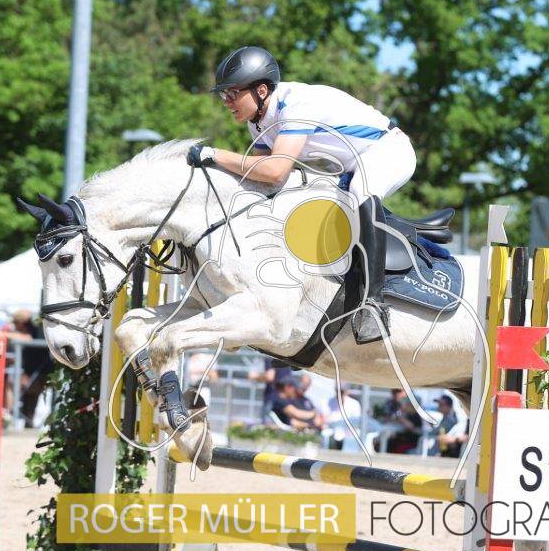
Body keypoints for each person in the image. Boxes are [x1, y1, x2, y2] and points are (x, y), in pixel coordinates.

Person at [187, 46, 418, 342]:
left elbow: (275, 170)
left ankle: (373, 303)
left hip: (389, 150)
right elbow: (261, 181)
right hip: (350, 165)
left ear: (260, 90)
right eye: (223, 95)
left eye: (232, 93)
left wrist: (214, 155)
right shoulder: (258, 120)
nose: (227, 102)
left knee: (361, 190)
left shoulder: (296, 105)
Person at [6, 310, 53, 426]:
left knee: (31, 396)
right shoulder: (36, 329)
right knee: (29, 398)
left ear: (21, 323)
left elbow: (29, 341)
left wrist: (6, 335)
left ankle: (28, 422)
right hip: (34, 372)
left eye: (16, 324)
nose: (15, 327)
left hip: (39, 372)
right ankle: (28, 422)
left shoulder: (36, 330)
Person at [433, 394, 468, 458]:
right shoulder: (443, 419)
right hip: (444, 452)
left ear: (449, 406)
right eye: (439, 404)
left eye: (441, 404)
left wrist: (454, 439)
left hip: (453, 454)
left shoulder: (453, 419)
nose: (439, 406)